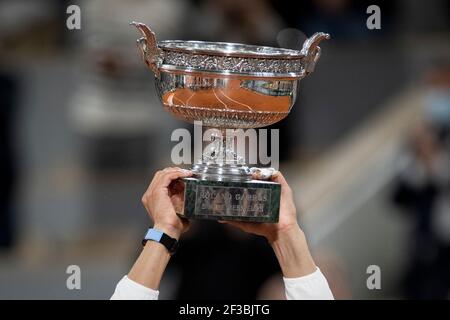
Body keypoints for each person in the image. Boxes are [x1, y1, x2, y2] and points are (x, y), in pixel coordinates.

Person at [111, 167, 334, 300]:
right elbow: (140, 259)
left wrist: (284, 232)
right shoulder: (186, 200)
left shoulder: (261, 204)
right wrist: (170, 228)